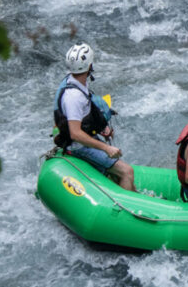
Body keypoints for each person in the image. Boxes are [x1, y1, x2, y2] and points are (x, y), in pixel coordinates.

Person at [53, 43, 136, 191]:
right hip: (78, 146)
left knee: (115, 175)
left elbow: (83, 113)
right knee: (127, 172)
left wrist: (101, 128)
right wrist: (106, 148)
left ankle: (135, 195)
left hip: (84, 137)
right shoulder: (74, 96)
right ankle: (130, 211)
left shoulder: (73, 81)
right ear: (89, 66)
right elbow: (75, 133)